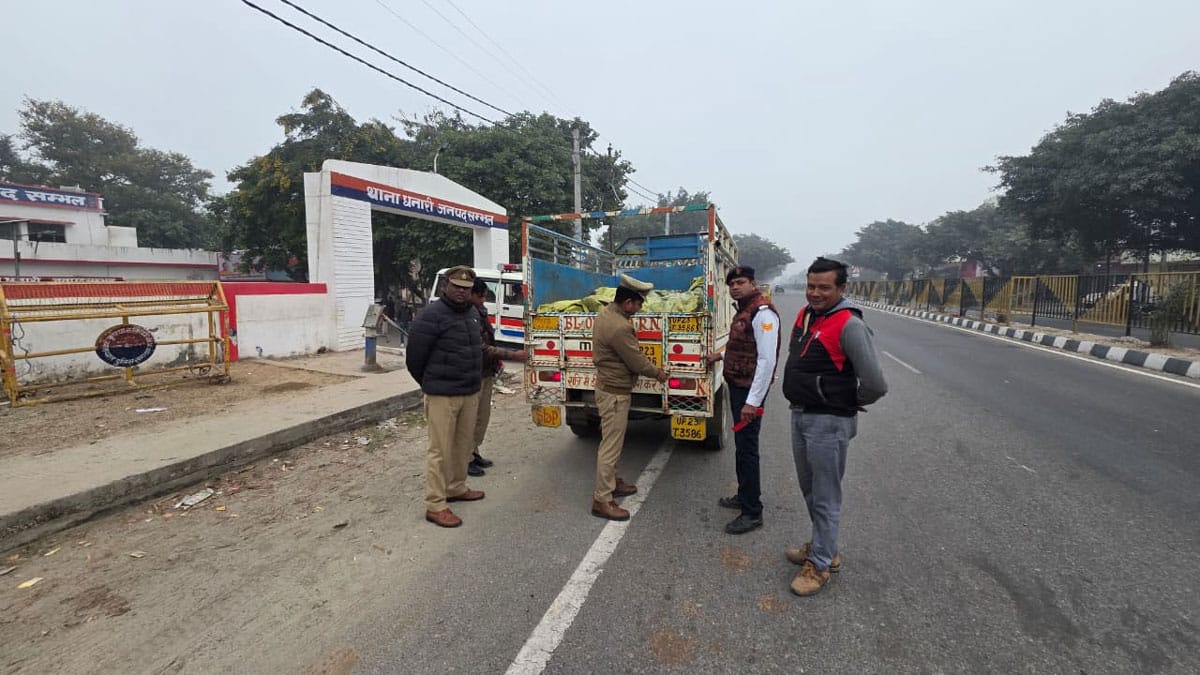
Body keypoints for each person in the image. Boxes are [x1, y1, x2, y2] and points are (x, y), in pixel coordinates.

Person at [782, 257, 888, 596]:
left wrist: (845, 402)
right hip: (801, 413)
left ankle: (821, 565)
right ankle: (822, 545)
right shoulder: (806, 315)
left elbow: (875, 383)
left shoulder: (849, 324)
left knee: (826, 495)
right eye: (812, 286)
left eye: (824, 288)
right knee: (810, 488)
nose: (815, 293)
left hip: (828, 422)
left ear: (841, 289)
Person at [405, 266, 486, 528]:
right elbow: (415, 359)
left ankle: (456, 487)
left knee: (463, 446)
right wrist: (431, 385)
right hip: (442, 395)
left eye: (466, 289)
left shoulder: (473, 313)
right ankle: (436, 504)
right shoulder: (431, 316)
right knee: (439, 450)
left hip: (469, 392)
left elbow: (476, 349)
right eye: (456, 287)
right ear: (445, 287)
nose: (462, 293)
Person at [705, 265, 780, 535]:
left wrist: (753, 402)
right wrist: (720, 356)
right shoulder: (745, 310)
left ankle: (752, 511)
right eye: (732, 284)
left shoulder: (763, 313)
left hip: (749, 392)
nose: (735, 287)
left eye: (740, 282)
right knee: (741, 446)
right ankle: (743, 495)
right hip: (739, 387)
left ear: (752, 282)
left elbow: (766, 359)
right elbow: (742, 346)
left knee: (747, 449)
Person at [590, 273, 670, 521]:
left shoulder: (607, 313)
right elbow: (635, 360)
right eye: (639, 304)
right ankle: (602, 499)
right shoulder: (620, 326)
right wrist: (658, 373)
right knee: (610, 447)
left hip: (609, 388)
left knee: (613, 441)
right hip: (614, 393)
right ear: (628, 303)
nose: (639, 309)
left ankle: (613, 482)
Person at [467, 277, 527, 476]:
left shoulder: (480, 312)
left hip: (485, 372)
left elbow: (488, 341)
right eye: (482, 296)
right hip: (473, 374)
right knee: (470, 419)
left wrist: (497, 362)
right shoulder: (467, 315)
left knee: (482, 417)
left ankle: (474, 452)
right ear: (472, 294)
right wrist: (511, 355)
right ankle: (465, 459)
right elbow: (480, 347)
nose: (484, 300)